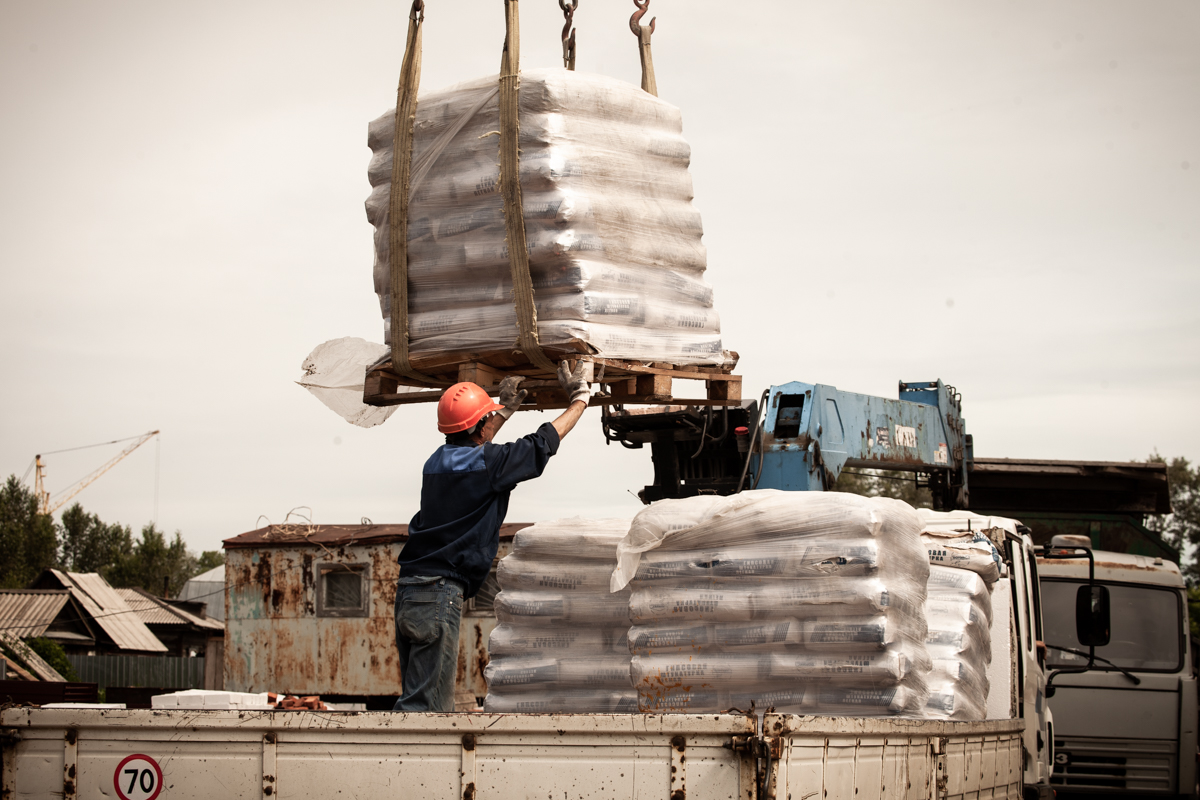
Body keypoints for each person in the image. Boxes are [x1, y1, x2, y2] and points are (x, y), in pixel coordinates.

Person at [392, 360, 592, 712]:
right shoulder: (490, 465)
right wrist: (579, 399)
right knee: (424, 710)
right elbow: (541, 444)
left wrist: (506, 411)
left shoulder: (435, 463)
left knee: (423, 700)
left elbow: (476, 450)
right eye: (489, 418)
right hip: (438, 594)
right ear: (482, 423)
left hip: (410, 592)